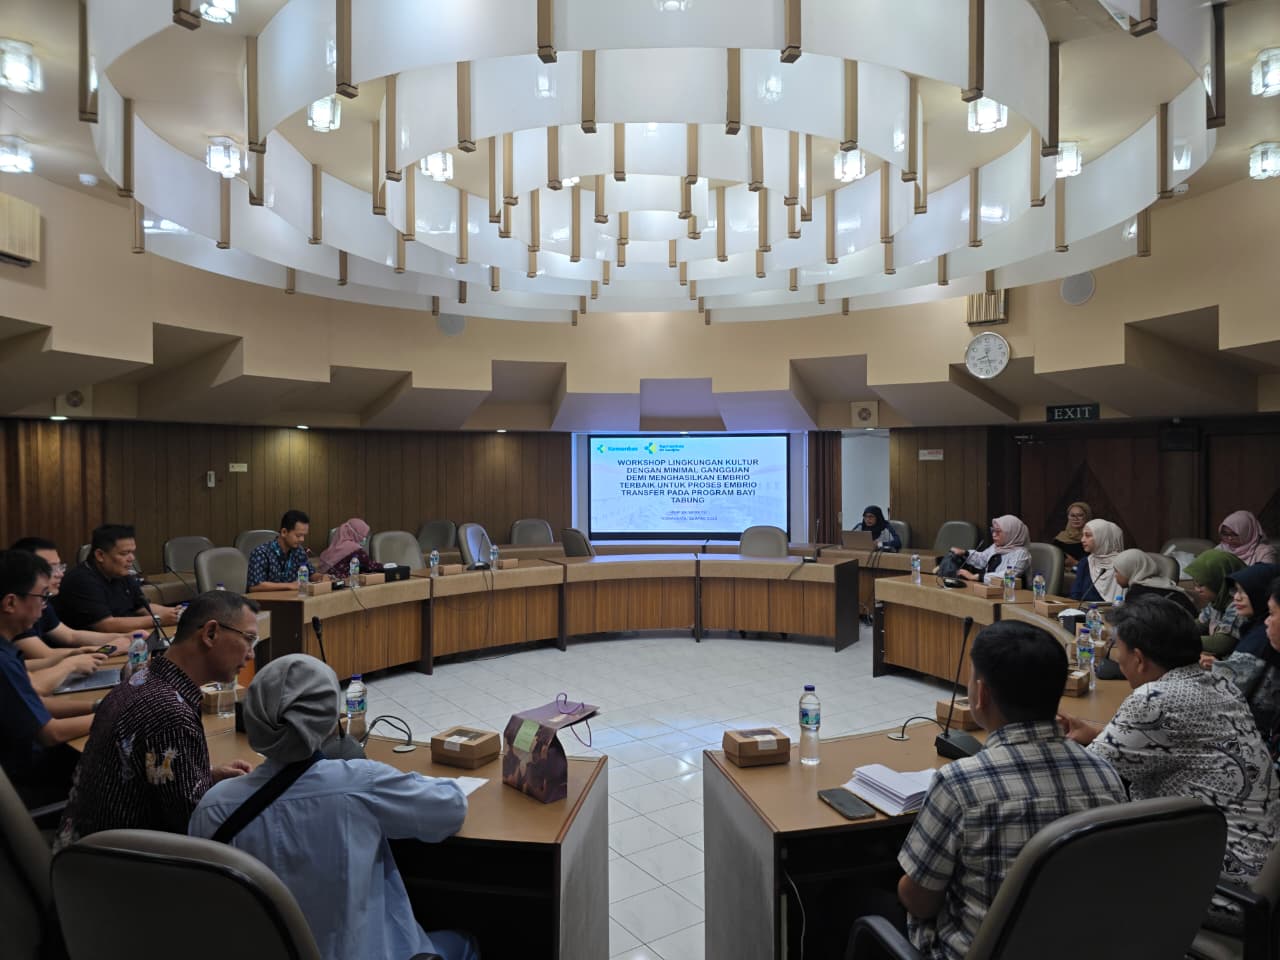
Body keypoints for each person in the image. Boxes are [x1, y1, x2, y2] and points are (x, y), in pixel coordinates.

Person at [189, 654, 475, 960]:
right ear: (328, 721)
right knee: (464, 942)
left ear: (254, 719)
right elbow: (450, 809)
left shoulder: (213, 808)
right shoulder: (361, 783)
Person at [887, 621, 1125, 960]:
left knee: (854, 899)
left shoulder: (959, 784)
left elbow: (919, 901)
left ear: (981, 694)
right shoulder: (1105, 774)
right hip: (1077, 948)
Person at [1060, 596, 1280, 932]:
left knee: (1074, 857)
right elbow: (1178, 741)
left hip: (1221, 888)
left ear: (1138, 658)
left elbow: (1086, 779)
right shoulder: (1218, 681)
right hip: (1258, 871)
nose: (1117, 659)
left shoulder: (1155, 700)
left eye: (1118, 650)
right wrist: (1096, 732)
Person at [56, 590, 256, 848]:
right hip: (119, 865)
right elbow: (196, 828)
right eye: (248, 639)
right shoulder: (170, 713)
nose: (251, 654)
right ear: (210, 634)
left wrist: (205, 777)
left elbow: (149, 780)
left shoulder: (141, 680)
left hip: (83, 851)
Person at [0, 550, 98, 808]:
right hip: (27, 785)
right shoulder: (3, 663)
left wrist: (98, 706)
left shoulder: (7, 649)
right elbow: (50, 734)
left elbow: (33, 704)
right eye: (42, 596)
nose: (45, 605)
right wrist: (119, 714)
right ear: (10, 603)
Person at [9, 537, 132, 662]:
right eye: (50, 568)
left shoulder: (42, 600)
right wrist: (107, 649)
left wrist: (127, 637)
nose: (60, 574)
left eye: (59, 566)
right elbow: (45, 655)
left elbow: (70, 636)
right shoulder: (16, 608)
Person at [1204, 578, 1280, 766]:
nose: (1267, 621)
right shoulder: (1255, 629)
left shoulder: (1259, 640)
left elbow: (1228, 690)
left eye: (1271, 613)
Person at [54, 524, 181, 633]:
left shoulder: (120, 574)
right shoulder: (82, 580)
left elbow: (142, 607)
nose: (131, 558)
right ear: (100, 555)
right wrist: (158, 620)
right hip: (88, 647)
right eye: (124, 553)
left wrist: (178, 613)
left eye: (132, 552)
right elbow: (106, 625)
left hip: (122, 638)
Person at [1185, 549, 1248, 656]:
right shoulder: (1217, 601)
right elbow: (1198, 626)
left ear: (1219, 582)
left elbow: (1221, 644)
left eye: (1201, 585)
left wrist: (1181, 640)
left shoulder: (1238, 604)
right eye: (1195, 584)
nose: (1196, 589)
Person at [1112, 548, 1196, 618]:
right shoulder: (1163, 583)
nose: (1115, 576)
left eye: (1117, 571)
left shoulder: (1136, 593)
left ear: (1130, 571)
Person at [247, 509, 316, 591]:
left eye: (304, 536)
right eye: (298, 535)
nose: (302, 539)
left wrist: (322, 577)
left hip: (292, 598)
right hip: (267, 599)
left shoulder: (299, 551)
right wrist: (289, 585)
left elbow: (312, 574)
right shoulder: (261, 553)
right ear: (284, 532)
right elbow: (254, 586)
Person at [1222, 563, 1280, 659]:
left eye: (1244, 591)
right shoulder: (1255, 624)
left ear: (1262, 592)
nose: (1236, 597)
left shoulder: (1262, 636)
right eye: (1236, 590)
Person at [948, 515, 1031, 583]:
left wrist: (976, 577)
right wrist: (965, 553)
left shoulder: (1021, 553)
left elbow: (1009, 576)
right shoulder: (997, 547)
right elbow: (982, 559)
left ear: (1011, 533)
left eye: (998, 531)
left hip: (1011, 593)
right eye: (993, 530)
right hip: (990, 588)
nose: (994, 535)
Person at [1069, 518, 1124, 602]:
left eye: (1088, 535)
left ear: (1103, 537)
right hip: (1087, 609)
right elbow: (1075, 595)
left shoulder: (1124, 564)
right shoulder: (1086, 562)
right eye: (1083, 535)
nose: (1082, 540)